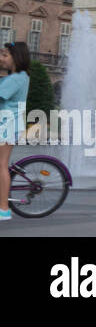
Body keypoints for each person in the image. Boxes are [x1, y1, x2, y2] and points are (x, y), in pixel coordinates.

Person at [0, 42, 31, 223]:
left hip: (7, 124)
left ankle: (3, 209)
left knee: (1, 165)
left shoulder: (17, 78)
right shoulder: (18, 77)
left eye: (5, 55)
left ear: (16, 58)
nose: (1, 58)